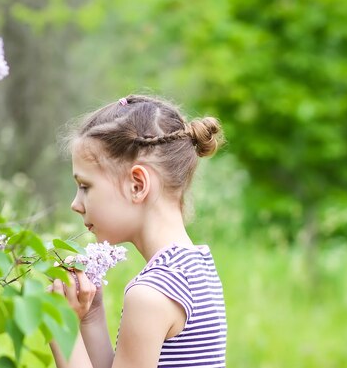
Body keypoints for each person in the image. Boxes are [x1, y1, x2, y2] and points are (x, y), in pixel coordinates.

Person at [50, 94, 227, 368]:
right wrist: (91, 316)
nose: (76, 204)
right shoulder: (197, 267)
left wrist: (59, 323)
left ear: (137, 185)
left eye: (85, 186)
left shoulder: (151, 293)